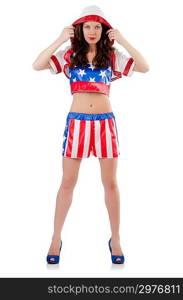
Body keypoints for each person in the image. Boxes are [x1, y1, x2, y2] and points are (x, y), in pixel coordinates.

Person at [32, 5, 149, 264]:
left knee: (111, 184)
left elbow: (144, 67)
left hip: (105, 124)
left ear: (104, 30)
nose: (92, 31)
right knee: (67, 182)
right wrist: (60, 39)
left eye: (98, 26)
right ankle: (55, 237)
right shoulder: (69, 54)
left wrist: (124, 39)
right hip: (77, 124)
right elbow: (37, 64)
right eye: (87, 26)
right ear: (80, 29)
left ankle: (115, 238)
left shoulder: (112, 56)